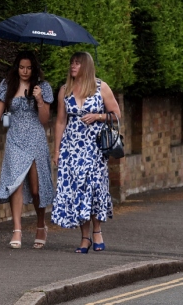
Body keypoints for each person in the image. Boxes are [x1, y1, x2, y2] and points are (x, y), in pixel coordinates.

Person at [52, 51, 122, 253]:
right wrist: (57, 150)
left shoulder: (101, 87)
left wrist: (98, 116)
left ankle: (97, 232)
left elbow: (116, 114)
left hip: (94, 147)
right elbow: (60, 121)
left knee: (94, 188)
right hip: (72, 147)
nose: (73, 67)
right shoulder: (65, 90)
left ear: (87, 66)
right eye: (71, 63)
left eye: (77, 63)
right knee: (78, 191)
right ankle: (84, 237)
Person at [0, 51, 55, 249]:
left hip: (35, 140)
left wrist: (40, 100)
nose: (25, 71)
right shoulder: (7, 85)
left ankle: (41, 225)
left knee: (35, 189)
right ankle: (17, 230)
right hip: (15, 139)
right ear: (17, 67)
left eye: (29, 67)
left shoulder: (44, 87)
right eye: (21, 67)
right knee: (15, 182)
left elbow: (44, 120)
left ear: (34, 68)